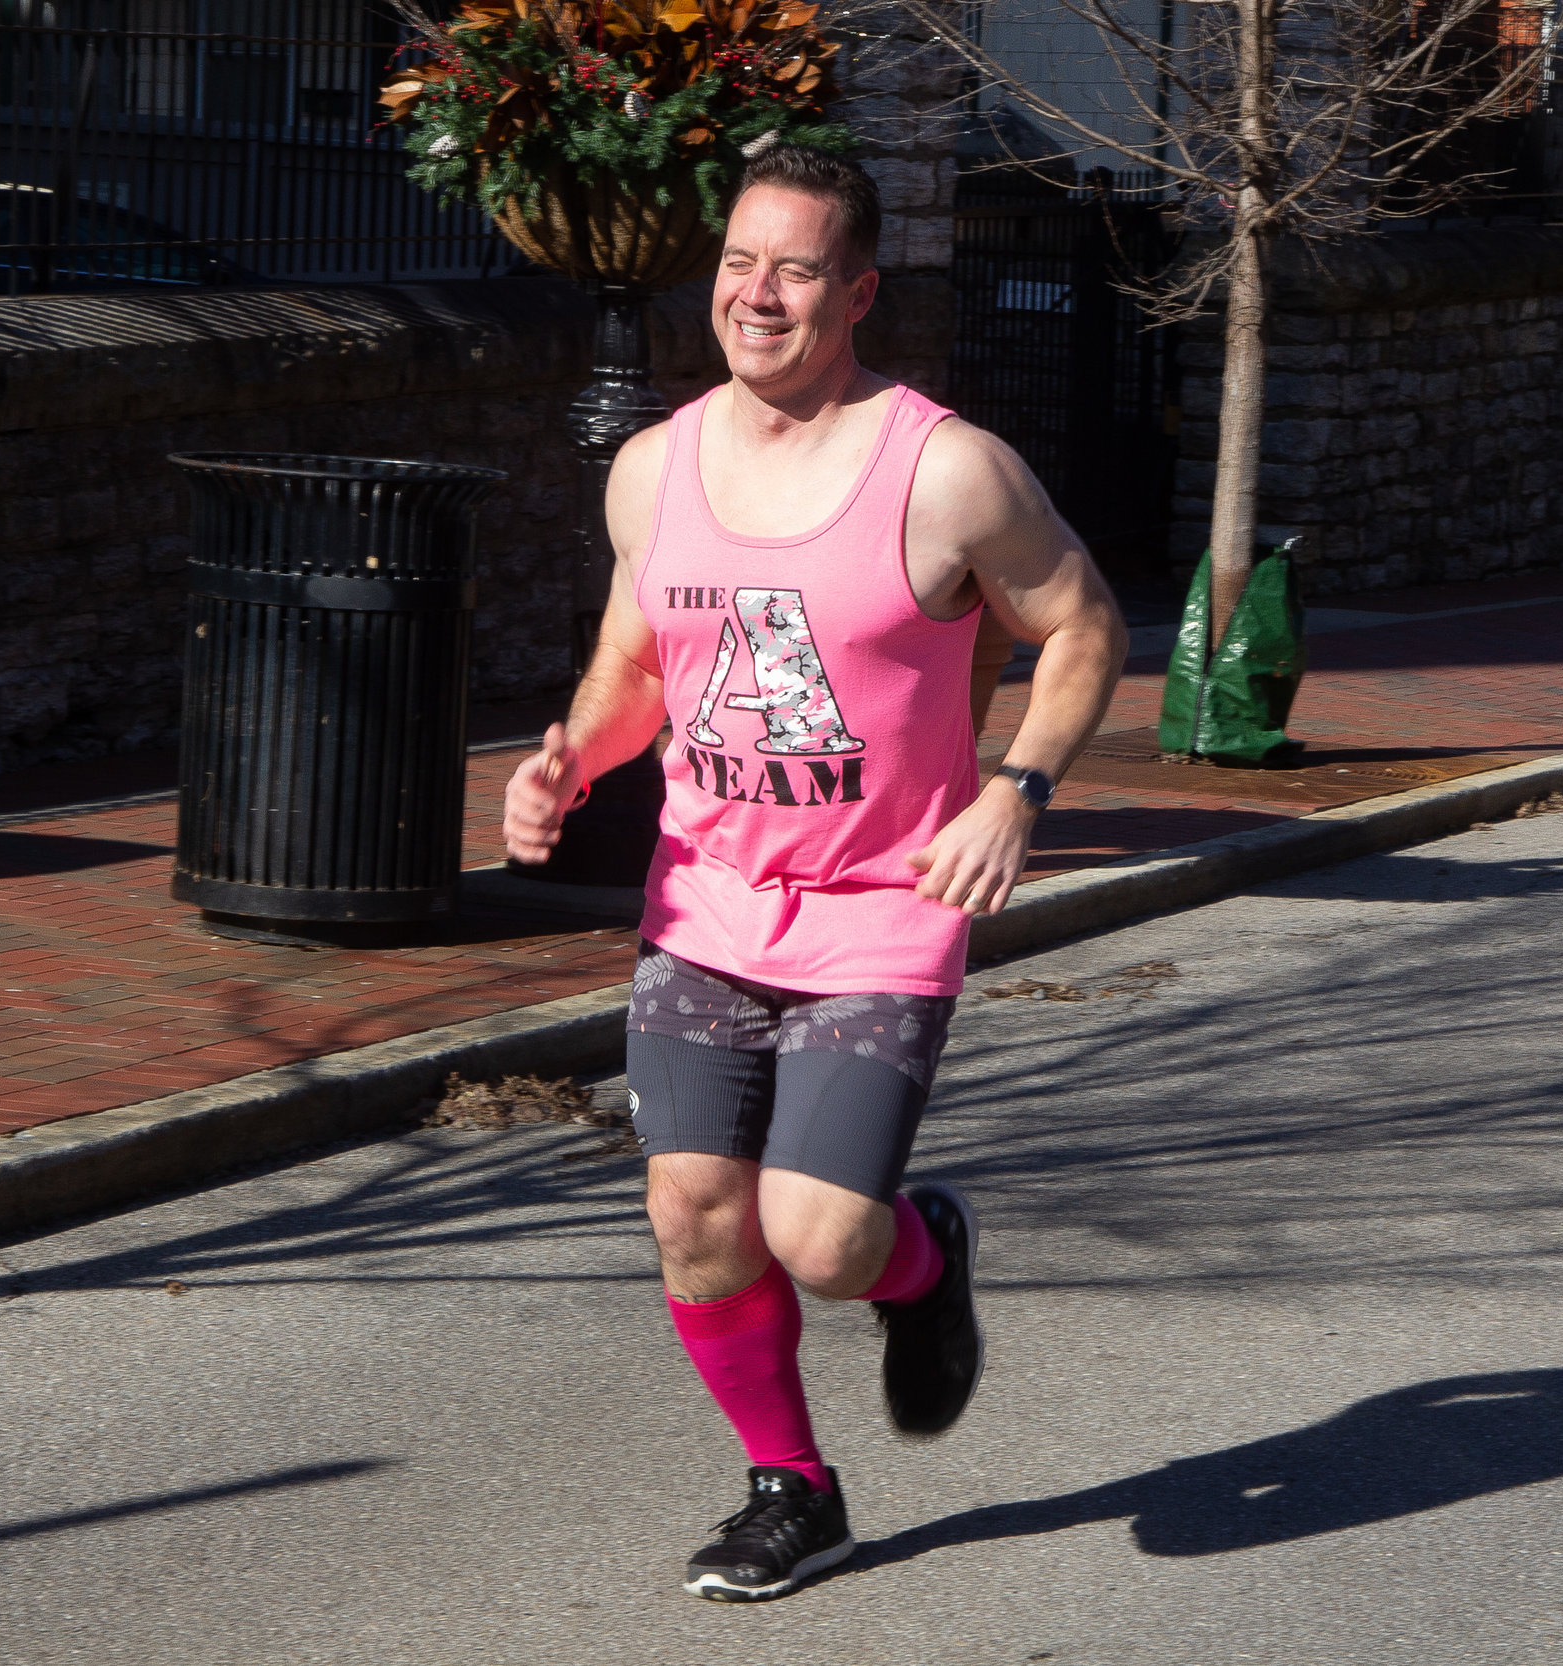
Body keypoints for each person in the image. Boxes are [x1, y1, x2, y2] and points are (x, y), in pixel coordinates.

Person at [501, 144, 1127, 1603]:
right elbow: (635, 664)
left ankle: (924, 1258)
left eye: (792, 267)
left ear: (857, 292)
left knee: (824, 1238)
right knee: (694, 1211)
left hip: (880, 911)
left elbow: (1084, 626)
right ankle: (792, 1484)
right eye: (736, 261)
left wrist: (1018, 790)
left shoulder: (948, 471)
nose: (754, 293)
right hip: (707, 895)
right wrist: (572, 760)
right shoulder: (655, 470)